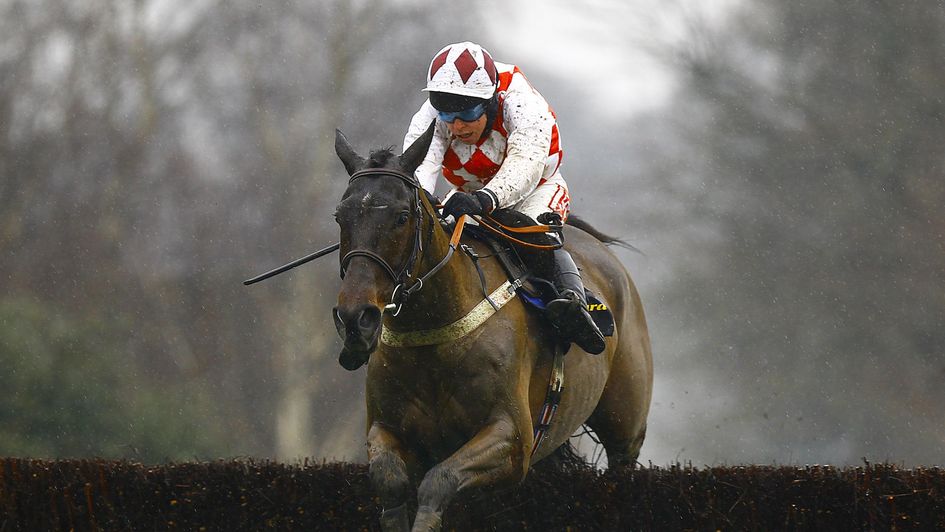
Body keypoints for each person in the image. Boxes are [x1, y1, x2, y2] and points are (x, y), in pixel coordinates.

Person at [402, 41, 605, 355]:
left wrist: (485, 199)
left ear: (490, 101)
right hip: (470, 194)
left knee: (537, 235)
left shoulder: (521, 102)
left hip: (536, 188)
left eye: (467, 113)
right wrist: (423, 199)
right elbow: (420, 166)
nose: (457, 125)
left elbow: (526, 162)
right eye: (448, 114)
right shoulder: (433, 114)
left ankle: (575, 304)